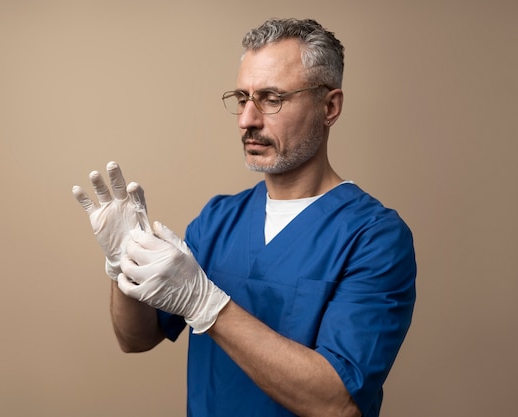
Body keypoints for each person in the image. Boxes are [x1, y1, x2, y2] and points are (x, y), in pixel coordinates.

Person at [72, 18, 416, 417]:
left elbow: (336, 403)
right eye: (241, 98)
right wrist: (123, 266)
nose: (246, 120)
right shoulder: (219, 219)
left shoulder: (374, 237)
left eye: (271, 98)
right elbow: (136, 338)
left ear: (330, 106)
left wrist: (208, 306)